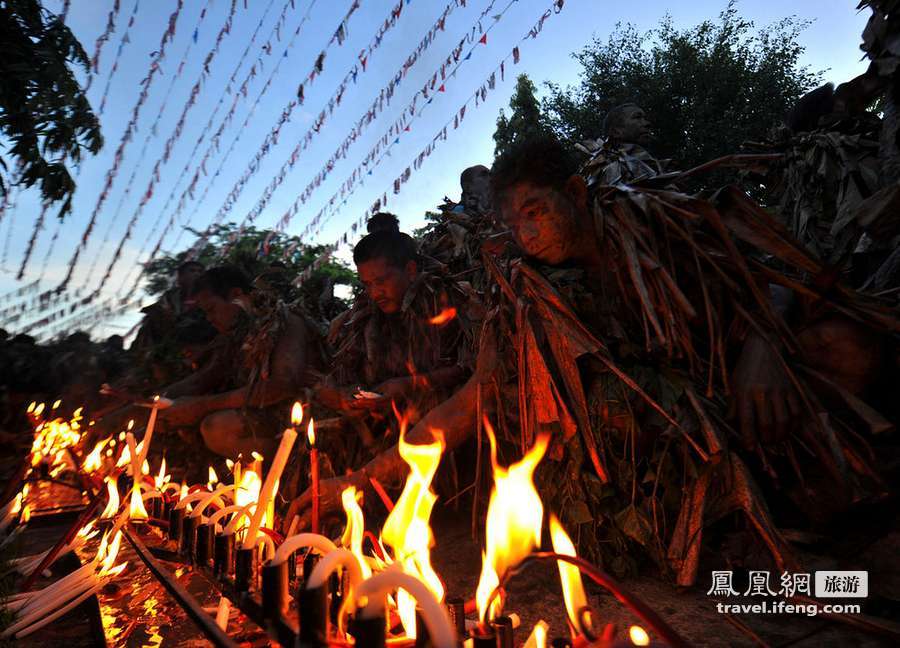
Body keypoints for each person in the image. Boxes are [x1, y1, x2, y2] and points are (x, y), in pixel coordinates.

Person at [289, 136, 895, 585]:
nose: (525, 235)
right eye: (512, 222)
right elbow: (468, 403)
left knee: (842, 345)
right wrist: (354, 481)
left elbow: (777, 280)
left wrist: (761, 349)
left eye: (536, 211)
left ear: (575, 194)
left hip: (743, 392)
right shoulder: (528, 296)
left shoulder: (648, 226)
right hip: (667, 443)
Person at [318, 214, 477, 439]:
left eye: (382, 281)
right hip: (387, 437)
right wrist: (347, 397)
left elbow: (472, 368)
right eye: (367, 285)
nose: (374, 293)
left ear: (411, 270)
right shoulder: (365, 316)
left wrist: (411, 385)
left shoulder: (443, 300)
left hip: (447, 432)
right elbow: (331, 382)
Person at [158, 265, 322, 459]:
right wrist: (159, 402)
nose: (210, 318)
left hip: (302, 419)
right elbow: (205, 377)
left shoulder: (286, 320)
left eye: (212, 309)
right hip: (262, 415)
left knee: (217, 427)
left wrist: (201, 406)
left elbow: (282, 385)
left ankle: (284, 478)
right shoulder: (235, 338)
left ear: (236, 295)